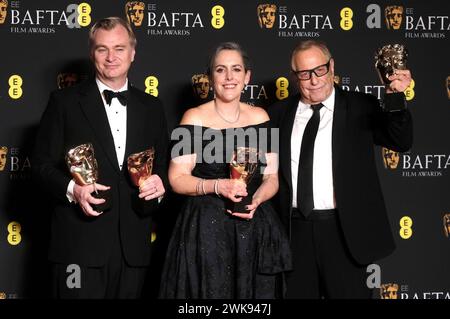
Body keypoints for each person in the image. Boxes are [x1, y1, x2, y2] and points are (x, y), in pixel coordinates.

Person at [32, 17, 168, 298]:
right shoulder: (64, 103)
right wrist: (74, 190)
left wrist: (159, 185)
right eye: (102, 49)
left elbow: (163, 167)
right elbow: (41, 166)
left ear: (133, 52)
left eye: (119, 48)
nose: (111, 57)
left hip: (133, 249)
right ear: (91, 53)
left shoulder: (152, 107)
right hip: (78, 247)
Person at [268, 40, 413, 298]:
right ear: (294, 76)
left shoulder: (361, 106)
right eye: (304, 73)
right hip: (294, 232)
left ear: (332, 66)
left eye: (320, 70)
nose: (314, 80)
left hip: (344, 233)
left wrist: (395, 96)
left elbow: (400, 141)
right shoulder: (279, 114)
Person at [159, 42, 292, 298]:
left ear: (247, 76)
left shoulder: (261, 118)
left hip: (254, 228)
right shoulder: (193, 117)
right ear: (210, 77)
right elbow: (176, 179)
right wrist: (217, 186)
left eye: (236, 69)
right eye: (220, 70)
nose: (229, 77)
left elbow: (272, 177)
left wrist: (257, 199)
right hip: (206, 231)